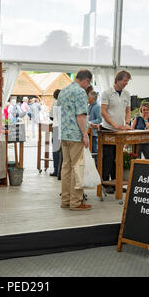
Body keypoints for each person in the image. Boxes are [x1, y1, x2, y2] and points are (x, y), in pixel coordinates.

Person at [57, 69, 92, 211]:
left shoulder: (63, 91)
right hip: (76, 135)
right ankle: (76, 202)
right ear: (86, 80)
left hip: (64, 134)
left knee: (66, 167)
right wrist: (85, 134)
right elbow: (81, 116)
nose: (87, 86)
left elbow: (58, 113)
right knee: (77, 168)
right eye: (88, 83)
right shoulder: (80, 92)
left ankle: (65, 200)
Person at [100, 70, 132, 194]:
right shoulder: (107, 93)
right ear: (118, 80)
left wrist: (127, 123)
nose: (126, 83)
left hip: (120, 131)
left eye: (127, 81)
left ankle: (116, 182)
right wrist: (114, 124)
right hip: (108, 130)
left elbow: (128, 111)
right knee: (108, 157)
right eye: (125, 80)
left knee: (117, 157)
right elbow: (103, 111)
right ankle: (105, 182)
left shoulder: (126, 94)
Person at [87, 90, 102, 163]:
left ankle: (96, 167)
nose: (87, 98)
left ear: (93, 98)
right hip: (88, 133)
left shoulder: (97, 107)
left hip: (94, 134)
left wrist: (90, 122)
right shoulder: (89, 106)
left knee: (94, 151)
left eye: (88, 97)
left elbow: (99, 120)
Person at [50, 89, 61, 177]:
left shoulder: (55, 103)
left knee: (55, 150)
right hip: (63, 127)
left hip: (56, 127)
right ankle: (61, 170)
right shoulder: (65, 103)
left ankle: (56, 169)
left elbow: (51, 116)